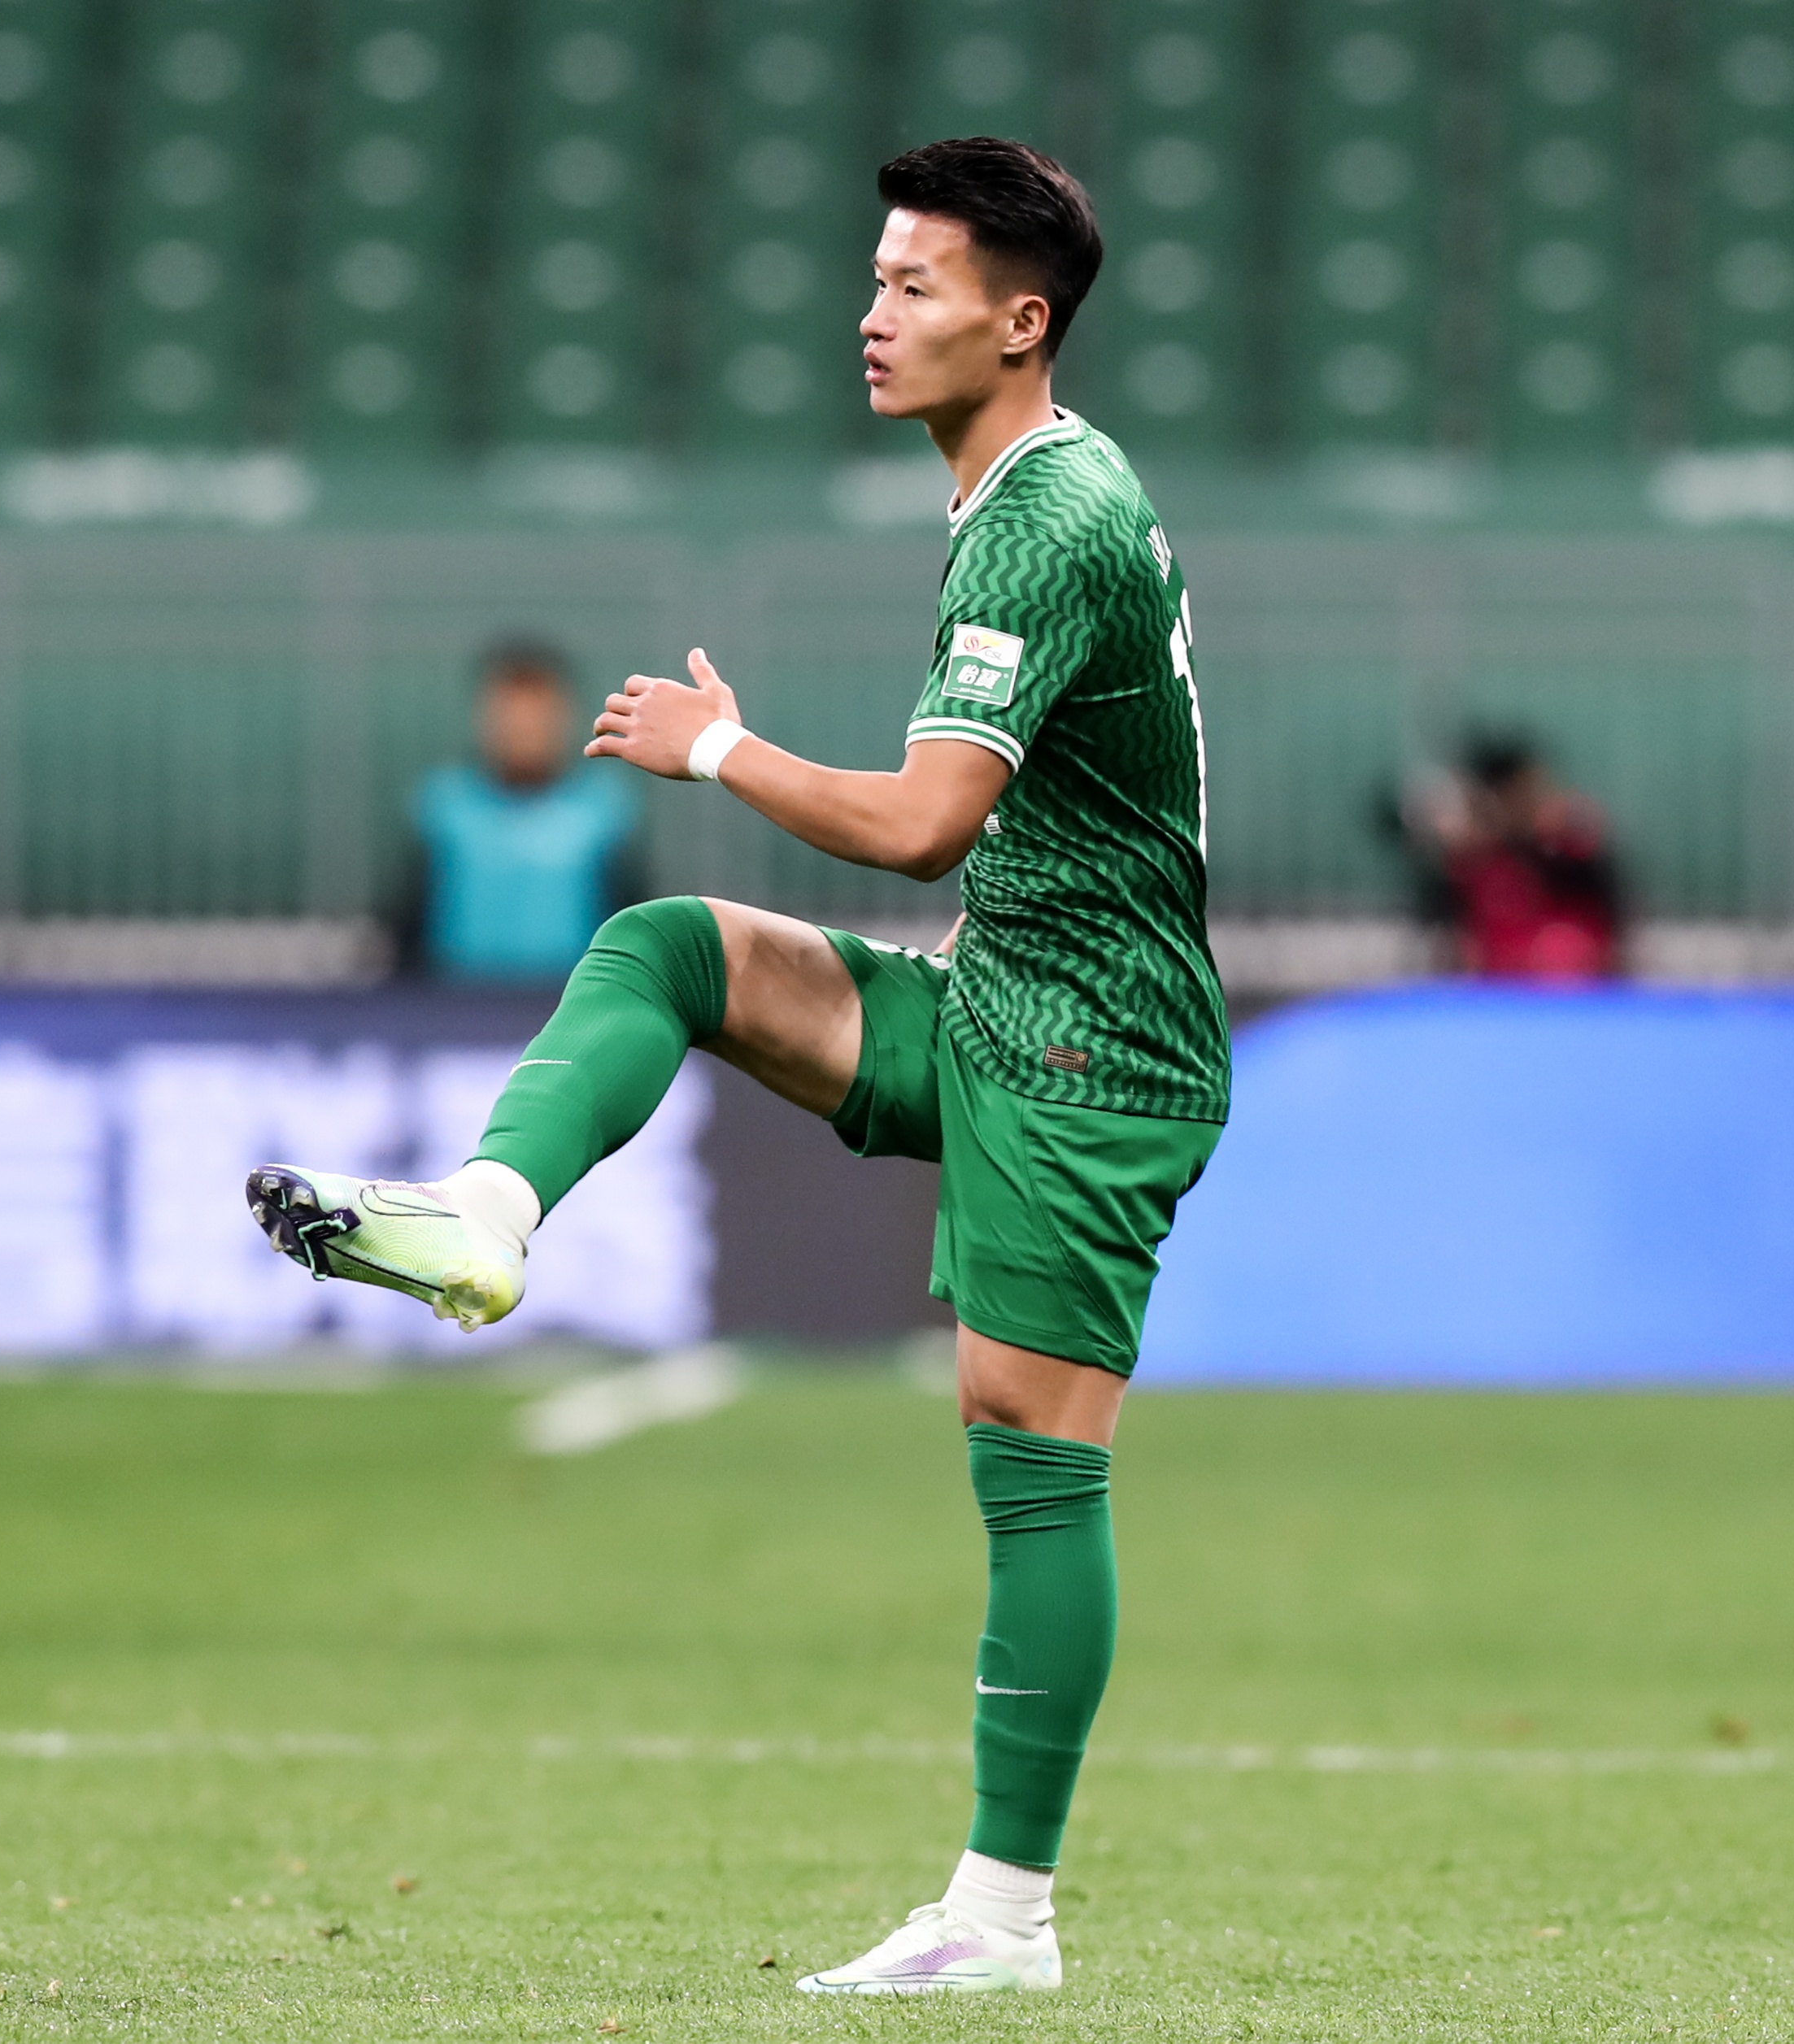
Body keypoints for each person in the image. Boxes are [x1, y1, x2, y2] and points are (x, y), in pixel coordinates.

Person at [242, 137, 1226, 1997]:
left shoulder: (1048, 515)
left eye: (913, 285)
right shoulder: (1017, 491)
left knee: (1030, 1449)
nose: (872, 313)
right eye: (874, 277)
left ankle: (1000, 1925)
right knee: (670, 950)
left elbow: (926, 822)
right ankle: (482, 1216)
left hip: (1094, 1046)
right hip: (1005, 996)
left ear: (1021, 322)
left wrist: (718, 750)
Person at [396, 639, 646, 982]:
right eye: (510, 713)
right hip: (458, 1001)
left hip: (572, 999)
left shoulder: (605, 809)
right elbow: (409, 925)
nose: (524, 728)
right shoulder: (443, 806)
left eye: (538, 714)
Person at [1393, 732, 1626, 980]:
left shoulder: (1570, 848)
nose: (1538, 799)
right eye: (1525, 790)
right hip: (1501, 989)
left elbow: (1609, 921)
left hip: (1576, 986)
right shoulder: (1472, 863)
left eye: (1539, 789)